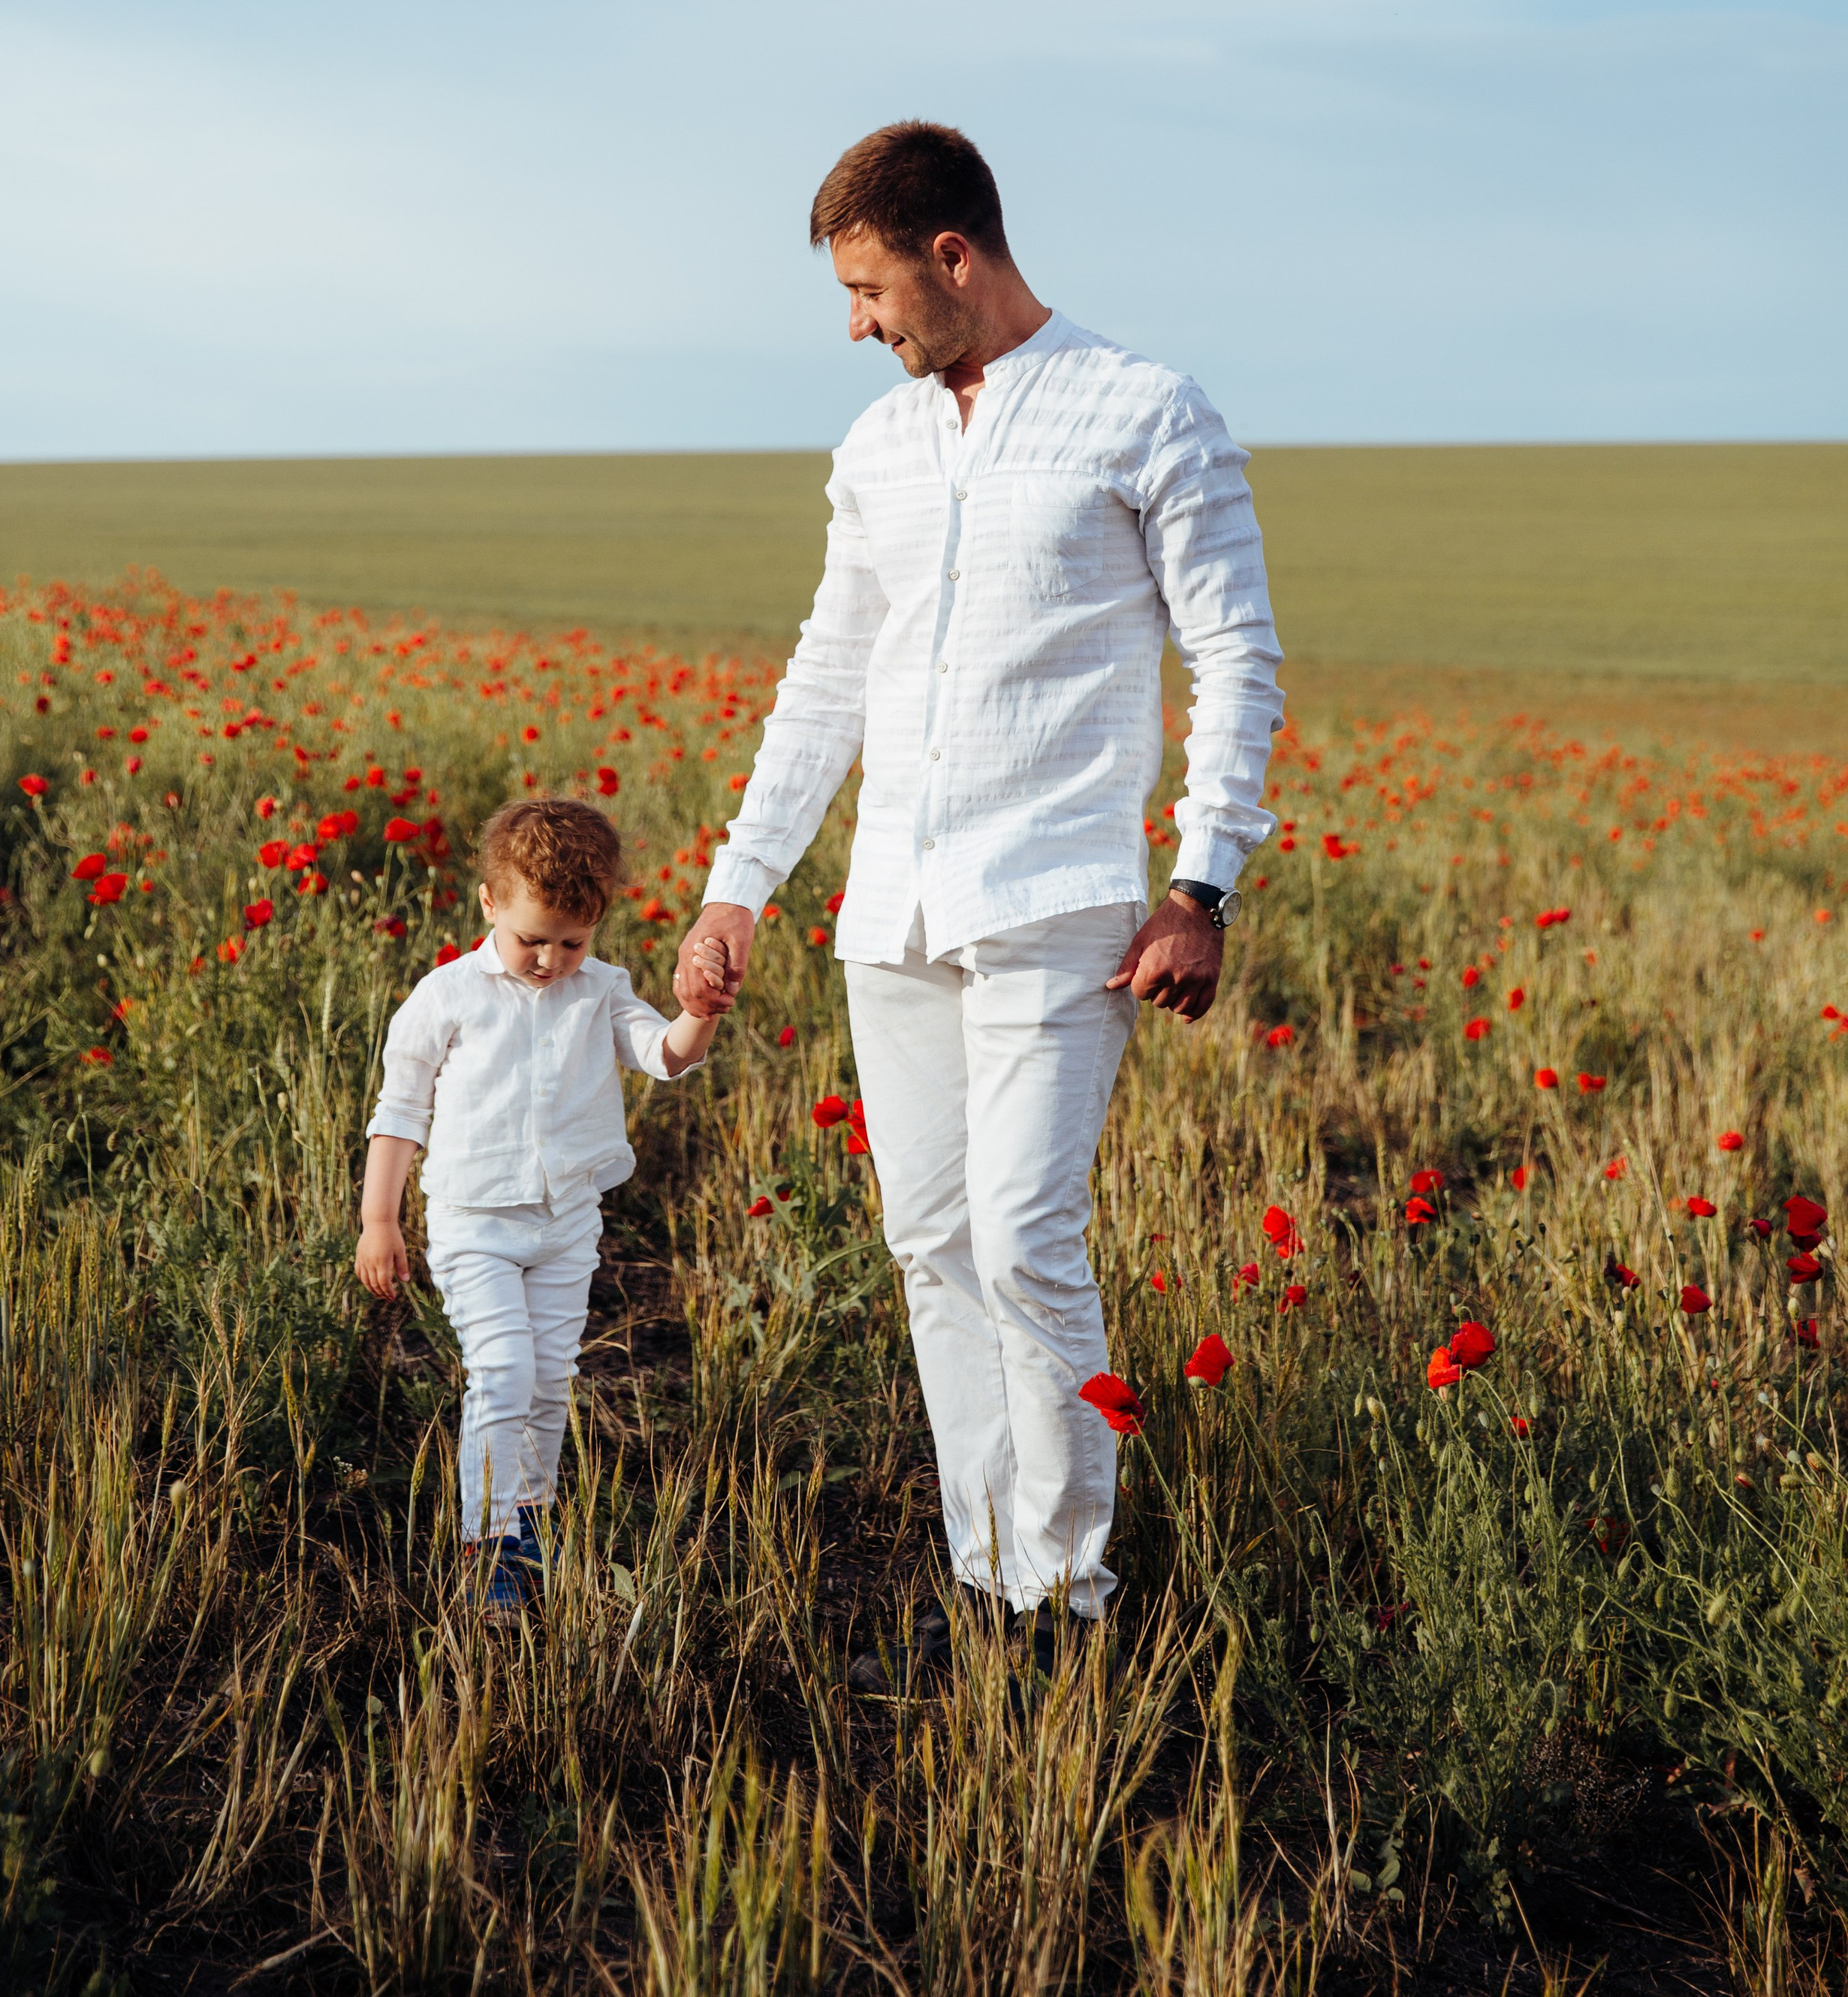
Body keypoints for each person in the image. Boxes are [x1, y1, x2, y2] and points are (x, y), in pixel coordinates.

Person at [672, 122, 1282, 1679]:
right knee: (930, 1244)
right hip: (892, 909)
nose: (855, 324)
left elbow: (1235, 658)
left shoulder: (1145, 410)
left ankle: (1068, 1598)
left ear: (953, 257)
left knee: (1020, 1242)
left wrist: (1200, 884)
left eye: (870, 289)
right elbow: (827, 681)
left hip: (1058, 902)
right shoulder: (874, 450)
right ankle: (990, 1575)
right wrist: (739, 888)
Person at [357, 794, 730, 1614]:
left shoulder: (601, 990)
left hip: (566, 1224)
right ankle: (485, 1540)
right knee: (503, 1369)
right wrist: (379, 1221)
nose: (550, 959)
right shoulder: (446, 996)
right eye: (533, 939)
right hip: (474, 1224)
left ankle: (529, 1519)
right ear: (489, 903)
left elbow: (663, 1056)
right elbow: (400, 1112)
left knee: (551, 1378)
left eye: (573, 941)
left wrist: (697, 1015)